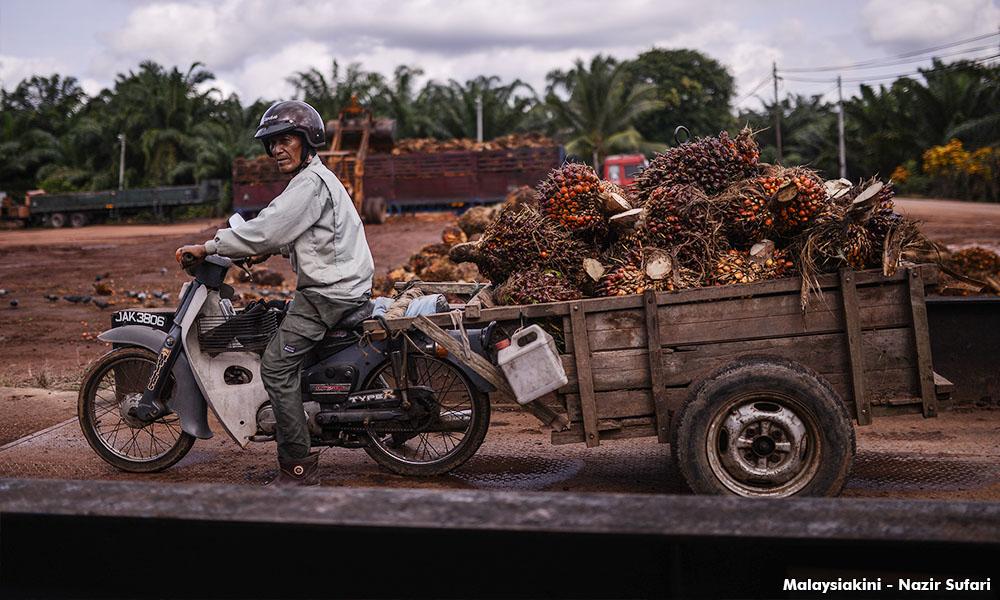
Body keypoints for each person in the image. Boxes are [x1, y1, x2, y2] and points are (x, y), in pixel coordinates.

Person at [175, 100, 375, 486]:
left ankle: (297, 468)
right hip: (339, 288)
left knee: (275, 367)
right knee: (278, 325)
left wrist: (210, 247)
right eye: (272, 143)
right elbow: (294, 233)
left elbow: (267, 228)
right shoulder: (312, 182)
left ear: (307, 141)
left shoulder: (310, 184)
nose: (277, 150)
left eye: (286, 140)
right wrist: (265, 249)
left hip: (329, 295)